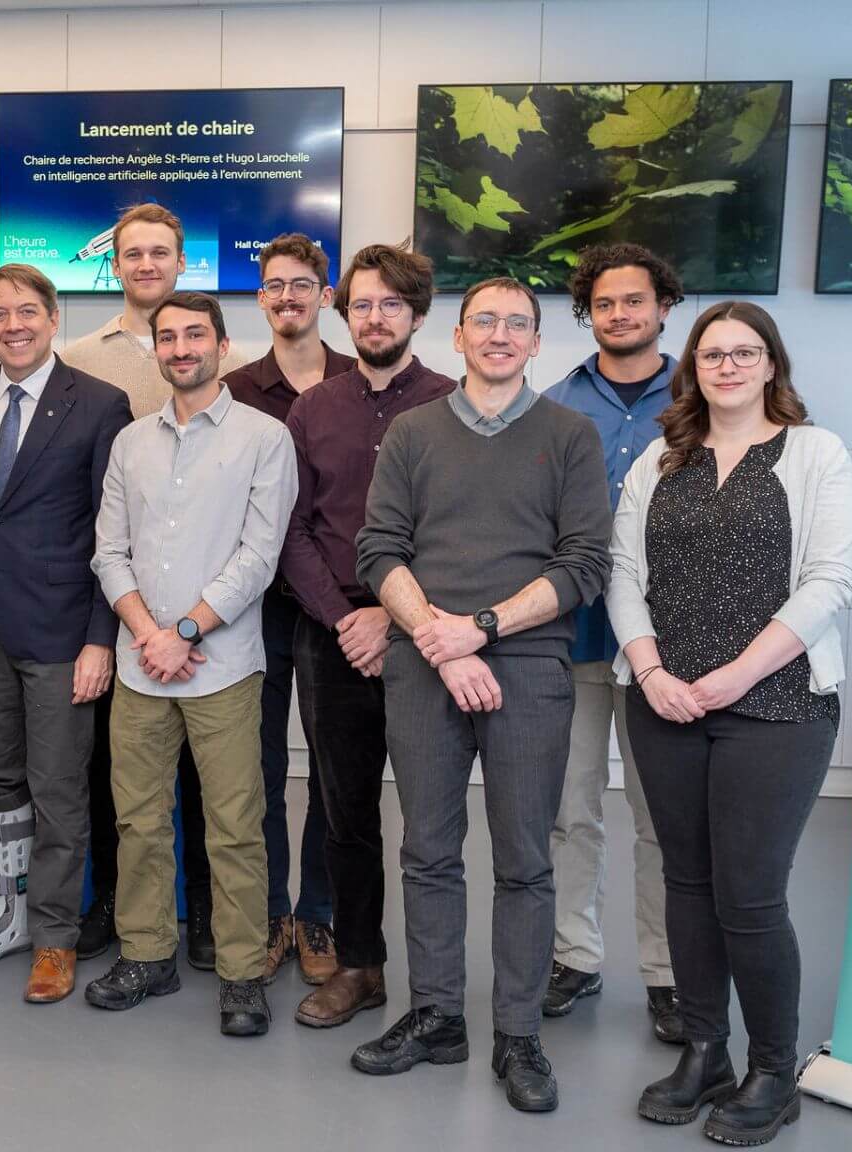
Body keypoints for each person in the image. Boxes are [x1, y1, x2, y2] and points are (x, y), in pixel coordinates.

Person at [352, 277, 611, 1113]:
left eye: (518, 325)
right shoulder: (412, 434)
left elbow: (582, 567)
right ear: (456, 338)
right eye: (485, 322)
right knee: (426, 848)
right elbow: (379, 551)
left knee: (527, 859)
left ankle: (518, 1033)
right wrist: (439, 637)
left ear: (538, 344)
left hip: (529, 670)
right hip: (423, 666)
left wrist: (483, 630)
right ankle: (434, 1016)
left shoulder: (570, 436)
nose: (500, 335)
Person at [611, 302, 852, 1146]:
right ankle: (707, 1051)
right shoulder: (660, 458)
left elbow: (829, 582)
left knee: (749, 895)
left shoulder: (815, 453)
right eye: (711, 354)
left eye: (742, 352)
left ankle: (773, 1071)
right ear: (693, 368)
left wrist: (734, 676)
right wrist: (651, 671)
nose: (725, 366)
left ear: (770, 364)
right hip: (667, 702)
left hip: (777, 703)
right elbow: (621, 575)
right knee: (685, 882)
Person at [85, 292, 296, 1037]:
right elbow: (109, 551)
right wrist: (149, 633)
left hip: (224, 665)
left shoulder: (264, 438)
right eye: (167, 336)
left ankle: (242, 972)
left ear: (221, 344)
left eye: (193, 335)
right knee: (140, 820)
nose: (180, 347)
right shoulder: (131, 442)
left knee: (234, 825)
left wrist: (185, 629)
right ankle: (148, 954)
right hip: (142, 665)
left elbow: (259, 555)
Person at [0, 265, 130, 1003]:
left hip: (61, 635)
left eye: (27, 312)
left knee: (58, 789)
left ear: (53, 319)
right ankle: (5, 908)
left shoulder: (100, 405)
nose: (12, 325)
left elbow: (115, 531)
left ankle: (54, 935)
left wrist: (99, 639)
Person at [281, 244, 455, 1030]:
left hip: (424, 636)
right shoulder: (313, 409)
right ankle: (360, 965)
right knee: (343, 812)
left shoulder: (454, 407)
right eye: (361, 305)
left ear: (417, 315)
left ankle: (439, 983)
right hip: (332, 635)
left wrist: (394, 613)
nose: (374, 317)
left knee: (431, 817)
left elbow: (461, 535)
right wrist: (344, 616)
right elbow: (293, 530)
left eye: (390, 305)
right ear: (339, 313)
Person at [62, 204, 240, 966]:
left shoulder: (214, 351)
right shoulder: (76, 356)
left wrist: (193, 622)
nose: (145, 264)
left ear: (181, 260)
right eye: (131, 253)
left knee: (208, 785)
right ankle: (112, 903)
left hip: (206, 604)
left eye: (160, 252)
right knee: (116, 775)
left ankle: (203, 910)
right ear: (117, 263)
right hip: (119, 589)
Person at [543, 243, 685, 1041]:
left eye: (634, 300)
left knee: (661, 819)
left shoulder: (704, 399)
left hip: (664, 649)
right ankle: (576, 956)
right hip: (571, 638)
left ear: (663, 306)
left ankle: (667, 975)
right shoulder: (557, 404)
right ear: (587, 314)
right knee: (571, 812)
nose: (620, 314)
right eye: (604, 304)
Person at [220, 233, 352, 985]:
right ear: (261, 298)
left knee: (334, 772)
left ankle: (320, 915)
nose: (289, 297)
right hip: (255, 611)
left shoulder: (357, 378)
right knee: (259, 770)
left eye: (303, 284)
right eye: (274, 286)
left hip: (336, 610)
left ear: (325, 295)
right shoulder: (236, 389)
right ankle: (271, 911)